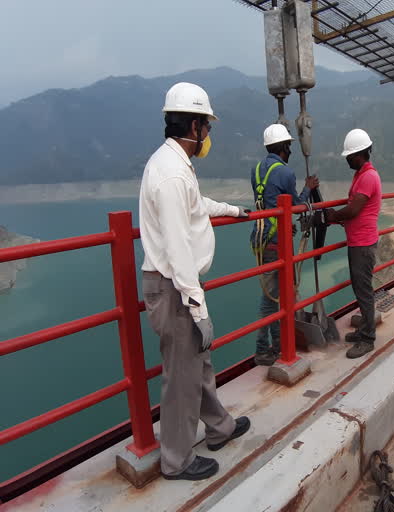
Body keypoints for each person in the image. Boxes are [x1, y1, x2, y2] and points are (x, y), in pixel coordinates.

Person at [140, 82, 251, 481]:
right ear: (193, 125)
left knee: (198, 365)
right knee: (181, 379)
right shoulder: (170, 174)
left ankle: (218, 427)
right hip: (174, 287)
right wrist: (198, 308)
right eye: (206, 125)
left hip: (177, 286)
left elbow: (196, 206)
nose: (209, 134)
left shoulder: (176, 166)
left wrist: (234, 210)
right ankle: (176, 460)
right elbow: (177, 248)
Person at [250, 124, 319, 367]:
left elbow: (269, 204)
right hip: (276, 242)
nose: (290, 151)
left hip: (260, 237)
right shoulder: (285, 173)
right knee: (273, 299)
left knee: (274, 295)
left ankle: (277, 344)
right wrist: (308, 189)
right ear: (283, 147)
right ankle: (265, 349)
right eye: (289, 146)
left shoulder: (256, 169)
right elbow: (296, 204)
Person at [325, 129, 381, 359]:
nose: (347, 159)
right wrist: (340, 219)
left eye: (349, 155)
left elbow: (354, 208)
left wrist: (333, 216)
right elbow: (356, 211)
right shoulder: (361, 175)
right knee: (360, 288)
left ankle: (368, 338)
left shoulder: (368, 177)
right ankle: (364, 330)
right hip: (358, 241)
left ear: (359, 154)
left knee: (364, 290)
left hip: (363, 244)